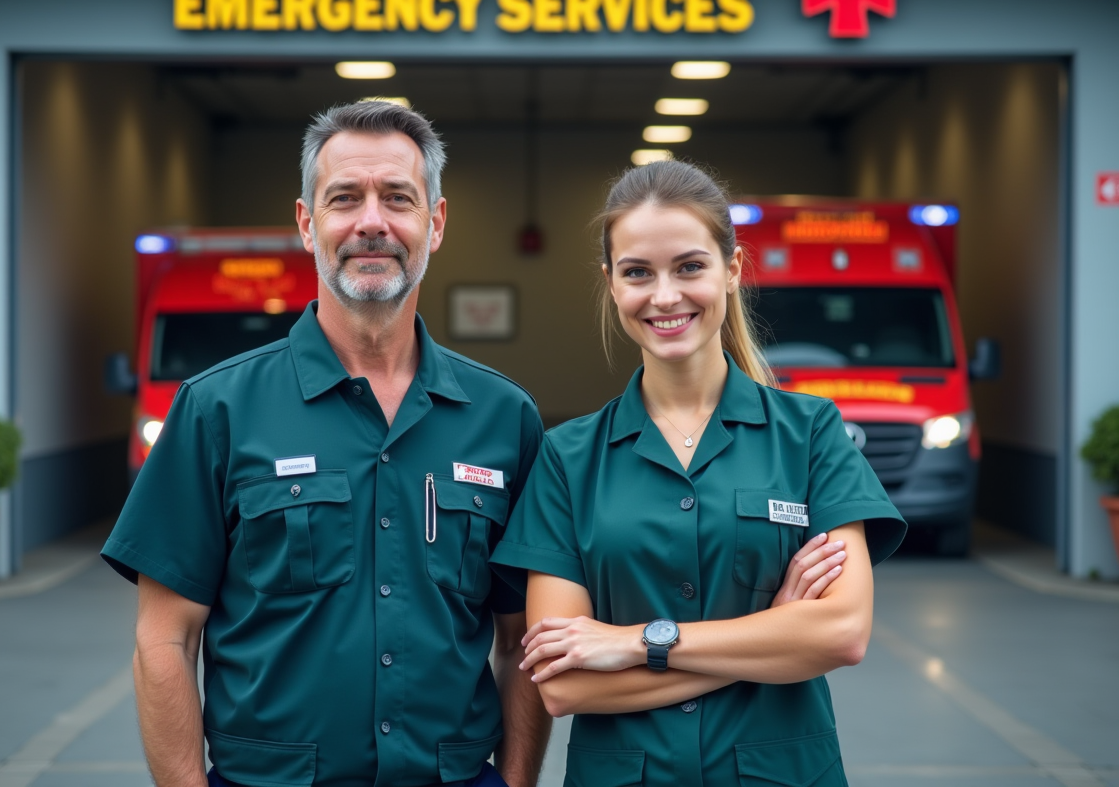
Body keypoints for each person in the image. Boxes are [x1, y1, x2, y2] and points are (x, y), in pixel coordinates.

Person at [101, 101, 554, 787]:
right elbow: (164, 640)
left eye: (398, 198)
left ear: (434, 224)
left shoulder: (504, 417)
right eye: (345, 198)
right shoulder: (215, 409)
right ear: (307, 223)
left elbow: (523, 640)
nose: (372, 221)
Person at [490, 160, 907, 787]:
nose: (664, 296)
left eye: (689, 266)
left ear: (733, 269)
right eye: (637, 273)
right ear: (611, 285)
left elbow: (842, 632)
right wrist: (773, 633)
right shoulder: (566, 458)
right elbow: (566, 682)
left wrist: (636, 642)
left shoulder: (812, 433)